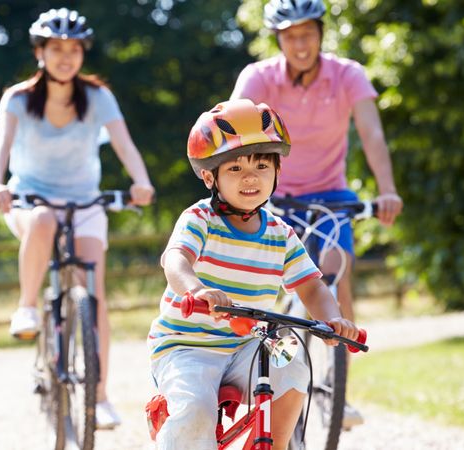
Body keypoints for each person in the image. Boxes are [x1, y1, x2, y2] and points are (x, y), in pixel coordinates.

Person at [147, 99, 360, 450]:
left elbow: (311, 287)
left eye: (262, 165)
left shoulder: (280, 232)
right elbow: (175, 260)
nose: (250, 177)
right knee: (195, 412)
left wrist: (333, 319)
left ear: (277, 170)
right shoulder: (200, 219)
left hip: (251, 342)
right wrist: (197, 290)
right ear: (209, 176)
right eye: (235, 169)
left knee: (294, 369)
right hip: (187, 346)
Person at [230, 0, 403, 427]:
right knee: (258, 281)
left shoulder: (347, 74)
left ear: (321, 34)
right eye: (290, 36)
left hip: (331, 196)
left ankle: (335, 390)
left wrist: (387, 191)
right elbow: (231, 129)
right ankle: (249, 369)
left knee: (334, 273)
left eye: (307, 34)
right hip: (275, 195)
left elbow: (372, 133)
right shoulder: (259, 77)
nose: (300, 44)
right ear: (278, 39)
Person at [0, 8, 155, 429]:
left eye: (74, 49)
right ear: (40, 52)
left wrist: (141, 181)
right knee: (42, 221)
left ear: (83, 54)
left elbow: (125, 145)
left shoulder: (97, 97)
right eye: (56, 48)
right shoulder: (19, 99)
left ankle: (99, 397)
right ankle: (26, 307)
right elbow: (0, 148)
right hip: (30, 199)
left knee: (93, 292)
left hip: (84, 204)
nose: (66, 57)